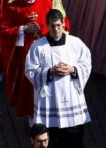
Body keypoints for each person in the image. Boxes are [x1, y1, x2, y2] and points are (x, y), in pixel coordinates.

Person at [25, 9, 92, 148]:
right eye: (52, 26)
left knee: (74, 141)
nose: (56, 29)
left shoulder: (75, 43)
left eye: (58, 25)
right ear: (47, 26)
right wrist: (50, 71)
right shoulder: (38, 46)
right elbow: (30, 70)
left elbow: (86, 63)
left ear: (63, 24)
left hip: (71, 99)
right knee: (52, 141)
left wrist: (73, 69)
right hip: (50, 100)